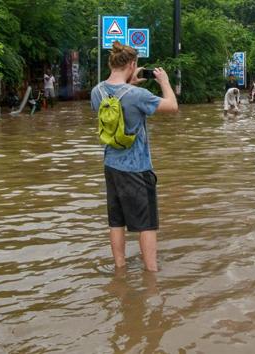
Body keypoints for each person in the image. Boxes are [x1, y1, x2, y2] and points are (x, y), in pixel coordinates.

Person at [90, 42, 178, 272]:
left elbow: (116, 103)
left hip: (111, 165)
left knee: (116, 221)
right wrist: (164, 82)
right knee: (146, 224)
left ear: (112, 63)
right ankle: (151, 273)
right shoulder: (138, 95)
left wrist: (129, 82)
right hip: (137, 168)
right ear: (132, 64)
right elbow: (172, 106)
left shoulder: (96, 91)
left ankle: (120, 269)